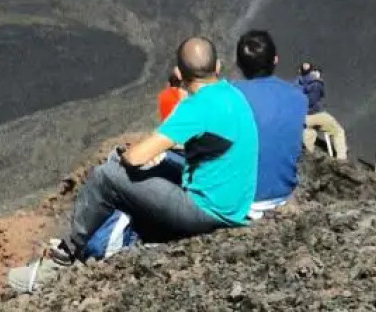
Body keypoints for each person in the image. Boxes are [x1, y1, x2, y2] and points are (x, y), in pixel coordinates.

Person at [55, 37, 258, 263]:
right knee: (159, 163)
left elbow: (133, 158)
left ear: (179, 73)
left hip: (208, 212)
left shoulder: (195, 107)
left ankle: (68, 250)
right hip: (235, 204)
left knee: (106, 175)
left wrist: (132, 157)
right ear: (218, 66)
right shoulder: (233, 94)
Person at [232, 30, 307, 213]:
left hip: (235, 201)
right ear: (275, 60)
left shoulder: (227, 95)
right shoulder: (298, 97)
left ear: (239, 64)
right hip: (281, 196)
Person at [296, 62, 349, 161]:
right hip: (315, 115)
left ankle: (308, 157)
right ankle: (342, 159)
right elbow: (317, 97)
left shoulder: (295, 83)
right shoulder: (316, 83)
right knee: (338, 131)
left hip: (301, 117)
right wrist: (318, 79)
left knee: (309, 132)